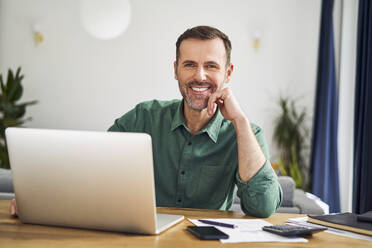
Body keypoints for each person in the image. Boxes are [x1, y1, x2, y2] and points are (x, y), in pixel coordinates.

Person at [10, 25, 282, 218]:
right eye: (189, 65)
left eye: (211, 66)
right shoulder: (144, 117)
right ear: (175, 69)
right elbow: (90, 166)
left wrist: (240, 120)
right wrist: (41, 198)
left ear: (228, 73)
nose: (199, 76)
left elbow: (262, 206)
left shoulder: (245, 132)